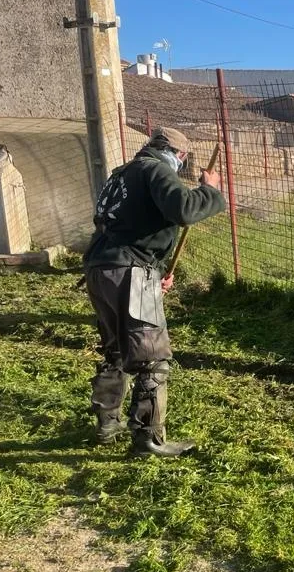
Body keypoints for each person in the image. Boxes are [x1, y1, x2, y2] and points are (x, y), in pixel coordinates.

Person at [82, 127, 226, 457]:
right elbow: (183, 210)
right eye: (182, 159)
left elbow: (131, 224)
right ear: (179, 155)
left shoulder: (121, 174)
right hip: (129, 271)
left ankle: (107, 423)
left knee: (116, 350)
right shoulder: (156, 169)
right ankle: (148, 438)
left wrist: (154, 271)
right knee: (151, 358)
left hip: (100, 268)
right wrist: (209, 190)